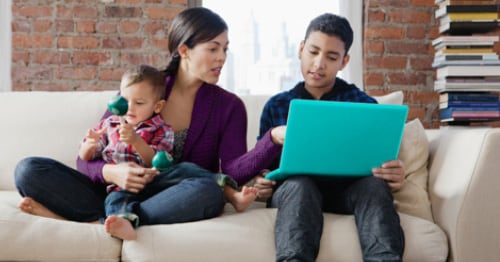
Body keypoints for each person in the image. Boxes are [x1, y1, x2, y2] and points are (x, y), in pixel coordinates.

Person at [14, 7, 277, 241]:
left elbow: (234, 170)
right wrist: (112, 173)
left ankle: (109, 219)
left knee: (210, 190)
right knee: (28, 169)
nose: (222, 57)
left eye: (225, 49)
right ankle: (114, 218)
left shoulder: (229, 106)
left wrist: (273, 139)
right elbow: (86, 160)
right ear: (184, 50)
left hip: (169, 198)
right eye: (213, 48)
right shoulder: (142, 88)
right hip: (113, 190)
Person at [252, 13, 406, 261]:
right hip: (296, 193)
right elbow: (263, 167)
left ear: (344, 61)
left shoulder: (364, 104)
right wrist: (261, 181)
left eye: (331, 57)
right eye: (313, 52)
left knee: (374, 186)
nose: (319, 63)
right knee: (299, 185)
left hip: (347, 192)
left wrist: (394, 173)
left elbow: (379, 158)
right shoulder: (277, 106)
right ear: (301, 49)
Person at [79, 64, 258, 239]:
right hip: (122, 186)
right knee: (115, 200)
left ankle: (229, 190)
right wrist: (90, 145)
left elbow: (156, 161)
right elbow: (85, 158)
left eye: (139, 103)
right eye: (124, 101)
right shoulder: (110, 124)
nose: (130, 108)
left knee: (187, 169)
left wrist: (136, 140)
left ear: (157, 107)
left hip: (158, 182)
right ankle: (125, 221)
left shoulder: (161, 129)